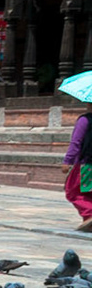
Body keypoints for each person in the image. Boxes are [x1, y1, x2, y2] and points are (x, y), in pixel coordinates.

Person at [66, 97, 92, 230]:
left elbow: (76, 142)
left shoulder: (85, 120)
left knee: (73, 191)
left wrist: (67, 161)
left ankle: (89, 214)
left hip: (86, 163)